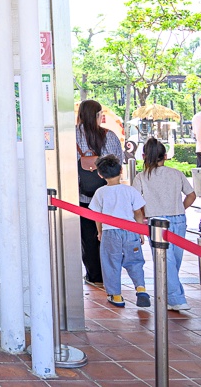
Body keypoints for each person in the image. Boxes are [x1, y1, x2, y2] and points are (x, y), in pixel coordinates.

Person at [132, 138, 196, 311]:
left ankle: (176, 299)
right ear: (165, 156)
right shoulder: (176, 173)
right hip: (179, 219)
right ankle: (174, 296)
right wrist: (180, 208)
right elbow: (191, 195)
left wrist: (140, 222)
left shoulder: (141, 177)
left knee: (165, 261)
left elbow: (136, 204)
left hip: (157, 222)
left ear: (144, 156)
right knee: (174, 259)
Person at [89, 155, 150, 309]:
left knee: (111, 263)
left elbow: (98, 216)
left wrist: (100, 232)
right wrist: (140, 232)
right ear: (121, 170)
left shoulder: (100, 192)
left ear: (100, 174)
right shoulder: (130, 190)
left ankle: (116, 295)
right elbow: (138, 213)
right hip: (130, 231)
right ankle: (141, 288)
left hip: (110, 233)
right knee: (135, 261)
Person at [76, 99, 124, 287]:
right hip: (107, 196)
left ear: (80, 115)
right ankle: (110, 274)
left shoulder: (71, 134)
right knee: (109, 235)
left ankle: (93, 274)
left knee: (88, 237)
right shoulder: (109, 136)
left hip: (82, 194)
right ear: (97, 116)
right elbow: (118, 163)